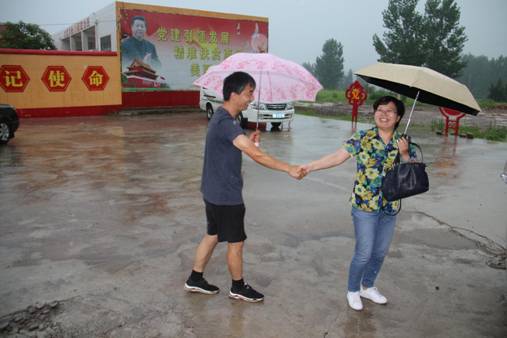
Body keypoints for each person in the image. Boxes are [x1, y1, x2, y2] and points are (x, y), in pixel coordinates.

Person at [184, 71, 303, 303]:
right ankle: (238, 287)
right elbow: (255, 154)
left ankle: (195, 278)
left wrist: (249, 138)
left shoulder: (224, 118)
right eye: (249, 93)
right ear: (234, 93)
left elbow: (238, 144)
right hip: (226, 195)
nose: (251, 98)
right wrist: (288, 167)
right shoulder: (227, 122)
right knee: (236, 243)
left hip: (212, 190)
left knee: (213, 234)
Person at [301, 96, 416, 311]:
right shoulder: (363, 137)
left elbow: (412, 174)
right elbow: (337, 157)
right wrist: (310, 167)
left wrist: (405, 153)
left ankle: (368, 286)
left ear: (398, 117)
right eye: (379, 110)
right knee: (364, 251)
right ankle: (353, 290)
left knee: (380, 251)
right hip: (364, 205)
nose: (383, 114)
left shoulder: (404, 142)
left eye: (389, 111)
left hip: (390, 207)